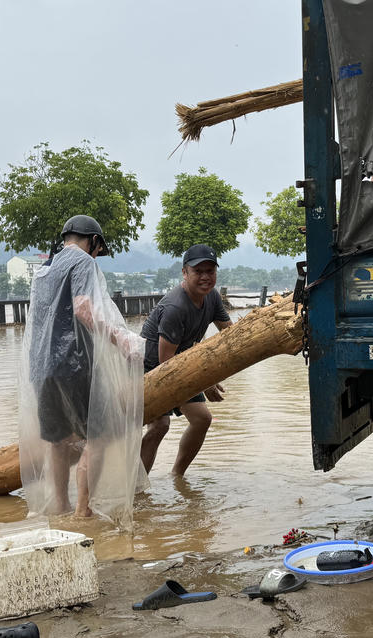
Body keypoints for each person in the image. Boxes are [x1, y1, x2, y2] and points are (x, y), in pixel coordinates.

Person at [18, 215, 144, 524]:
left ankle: (60, 505)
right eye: (98, 248)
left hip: (40, 367)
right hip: (74, 365)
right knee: (98, 437)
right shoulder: (83, 263)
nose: (97, 254)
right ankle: (83, 509)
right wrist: (121, 340)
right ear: (93, 241)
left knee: (57, 441)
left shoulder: (45, 270)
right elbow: (84, 309)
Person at [140, 244, 233, 476]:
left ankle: (177, 476)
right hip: (150, 368)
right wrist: (204, 381)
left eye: (210, 271)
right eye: (197, 271)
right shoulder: (175, 307)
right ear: (185, 273)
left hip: (183, 362)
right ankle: (136, 489)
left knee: (202, 419)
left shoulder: (212, 297)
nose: (205, 277)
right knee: (160, 426)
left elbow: (231, 336)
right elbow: (166, 366)